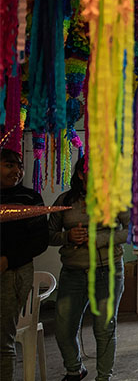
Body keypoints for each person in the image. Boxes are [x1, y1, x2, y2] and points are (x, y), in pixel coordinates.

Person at [49, 157, 130, 381]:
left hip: (108, 272)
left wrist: (102, 238)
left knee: (104, 329)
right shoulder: (64, 200)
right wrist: (67, 236)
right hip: (73, 273)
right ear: (81, 174)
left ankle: (104, 377)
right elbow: (48, 235)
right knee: (64, 329)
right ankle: (75, 369)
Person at [0, 148, 49, 380]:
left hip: (14, 273)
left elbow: (39, 241)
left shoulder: (31, 199)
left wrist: (8, 260)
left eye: (19, 166)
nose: (17, 171)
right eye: (9, 165)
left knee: (2, 340)